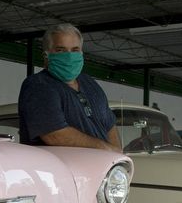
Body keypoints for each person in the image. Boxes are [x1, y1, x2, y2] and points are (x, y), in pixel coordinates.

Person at [18, 23, 121, 152]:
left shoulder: (90, 84)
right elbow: (55, 135)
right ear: (46, 55)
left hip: (101, 168)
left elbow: (109, 124)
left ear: (81, 53)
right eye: (60, 50)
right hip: (60, 170)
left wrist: (117, 154)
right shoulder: (38, 85)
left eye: (75, 50)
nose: (69, 56)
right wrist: (105, 149)